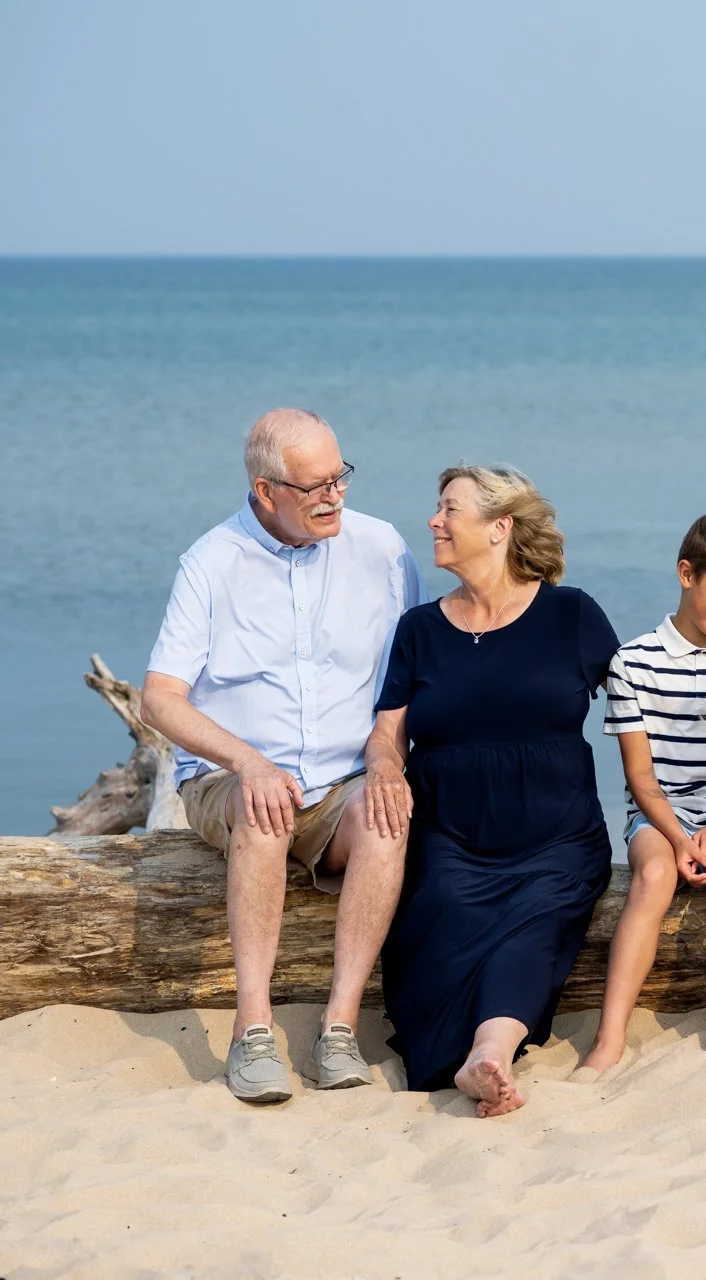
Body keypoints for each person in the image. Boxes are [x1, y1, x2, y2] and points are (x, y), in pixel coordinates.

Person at [140, 408, 419, 1104]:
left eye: (341, 477)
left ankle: (338, 1031)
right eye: (315, 486)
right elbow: (161, 699)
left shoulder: (383, 549)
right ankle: (253, 1029)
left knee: (388, 819)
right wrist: (247, 762)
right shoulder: (210, 563)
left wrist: (387, 754)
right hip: (230, 779)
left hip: (341, 781)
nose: (336, 497)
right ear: (266, 492)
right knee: (265, 810)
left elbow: (405, 679)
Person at [364, 466, 620, 1118]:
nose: (434, 522)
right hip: (451, 836)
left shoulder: (572, 615)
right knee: (443, 908)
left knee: (538, 920)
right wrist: (386, 771)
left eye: (449, 509)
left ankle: (491, 1055)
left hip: (556, 836)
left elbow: (639, 709)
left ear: (499, 528)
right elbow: (387, 734)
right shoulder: (420, 629)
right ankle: (474, 1055)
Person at [581, 514, 706, 1067]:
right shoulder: (634, 662)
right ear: (687, 574)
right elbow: (641, 779)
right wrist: (681, 839)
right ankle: (610, 1036)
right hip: (659, 815)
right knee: (654, 872)